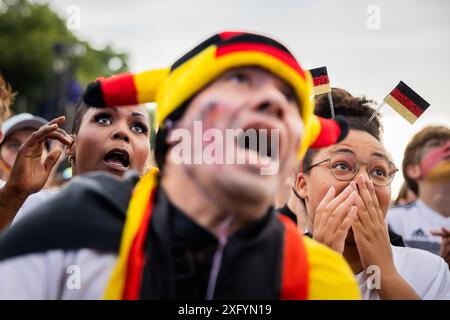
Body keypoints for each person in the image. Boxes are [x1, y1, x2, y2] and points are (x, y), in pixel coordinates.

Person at [0, 31, 359, 300]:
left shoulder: (323, 280)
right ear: (175, 133)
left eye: (287, 99)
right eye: (238, 81)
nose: (271, 101)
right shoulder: (74, 221)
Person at [297, 88, 450, 299]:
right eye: (342, 165)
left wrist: (386, 274)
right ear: (302, 185)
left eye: (378, 171)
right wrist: (323, 267)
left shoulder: (429, 271)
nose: (363, 181)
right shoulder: (268, 266)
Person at [0, 100, 151, 229]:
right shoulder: (24, 209)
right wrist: (13, 196)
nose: (122, 132)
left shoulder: (159, 239)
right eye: (104, 119)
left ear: (145, 163)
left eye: (138, 128)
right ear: (71, 145)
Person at [387, 126, 450, 265]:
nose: (448, 147)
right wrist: (441, 268)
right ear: (414, 170)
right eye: (436, 144)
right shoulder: (392, 220)